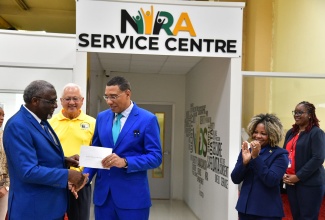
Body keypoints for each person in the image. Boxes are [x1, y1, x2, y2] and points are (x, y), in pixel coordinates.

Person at [3, 80, 88, 220]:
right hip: (33, 210)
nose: (56, 105)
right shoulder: (18, 125)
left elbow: (41, 156)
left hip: (50, 207)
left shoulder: (42, 122)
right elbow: (28, 171)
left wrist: (64, 160)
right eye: (51, 101)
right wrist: (67, 174)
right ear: (35, 101)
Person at [83, 76, 162, 220]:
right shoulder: (102, 117)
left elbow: (155, 157)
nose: (109, 101)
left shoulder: (147, 119)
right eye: (106, 96)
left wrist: (125, 162)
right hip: (103, 198)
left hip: (133, 199)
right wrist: (84, 177)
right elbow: (96, 150)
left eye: (113, 96)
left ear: (127, 93)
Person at [49, 83, 95, 220]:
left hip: (80, 183)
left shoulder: (93, 123)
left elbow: (95, 154)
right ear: (61, 101)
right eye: (67, 99)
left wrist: (83, 178)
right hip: (55, 181)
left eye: (75, 98)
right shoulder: (50, 123)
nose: (72, 102)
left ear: (82, 100)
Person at [231, 113, 289, 220]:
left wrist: (256, 157)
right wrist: (245, 163)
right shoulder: (246, 150)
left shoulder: (281, 154)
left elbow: (271, 180)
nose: (258, 136)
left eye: (263, 133)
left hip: (267, 212)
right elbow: (235, 178)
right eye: (255, 132)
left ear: (272, 134)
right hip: (245, 209)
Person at [282, 101, 325, 220]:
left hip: (310, 184)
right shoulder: (291, 133)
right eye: (295, 112)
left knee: (308, 217)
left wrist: (298, 176)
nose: (296, 115)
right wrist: (284, 173)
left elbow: (318, 158)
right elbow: (284, 154)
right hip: (291, 183)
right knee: (296, 216)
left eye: (300, 112)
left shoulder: (316, 133)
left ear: (310, 114)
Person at [0, 107, 9, 219]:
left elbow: (10, 162)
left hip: (2, 188)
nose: (1, 118)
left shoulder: (6, 136)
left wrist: (6, 187)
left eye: (3, 115)